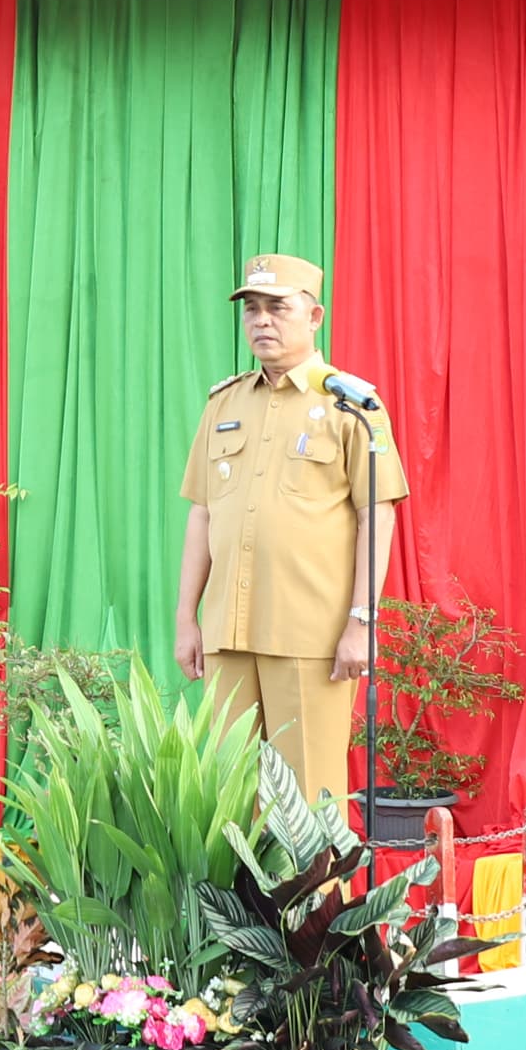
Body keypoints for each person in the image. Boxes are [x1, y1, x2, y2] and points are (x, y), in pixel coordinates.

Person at [172, 254, 406, 827]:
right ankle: (238, 916)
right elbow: (203, 514)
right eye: (252, 309)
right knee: (228, 795)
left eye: (278, 307)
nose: (262, 321)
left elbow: (377, 516)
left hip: (312, 635)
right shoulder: (223, 403)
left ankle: (313, 916)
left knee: (309, 797)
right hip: (230, 629)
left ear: (315, 314)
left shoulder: (353, 405)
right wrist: (187, 618)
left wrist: (361, 622)